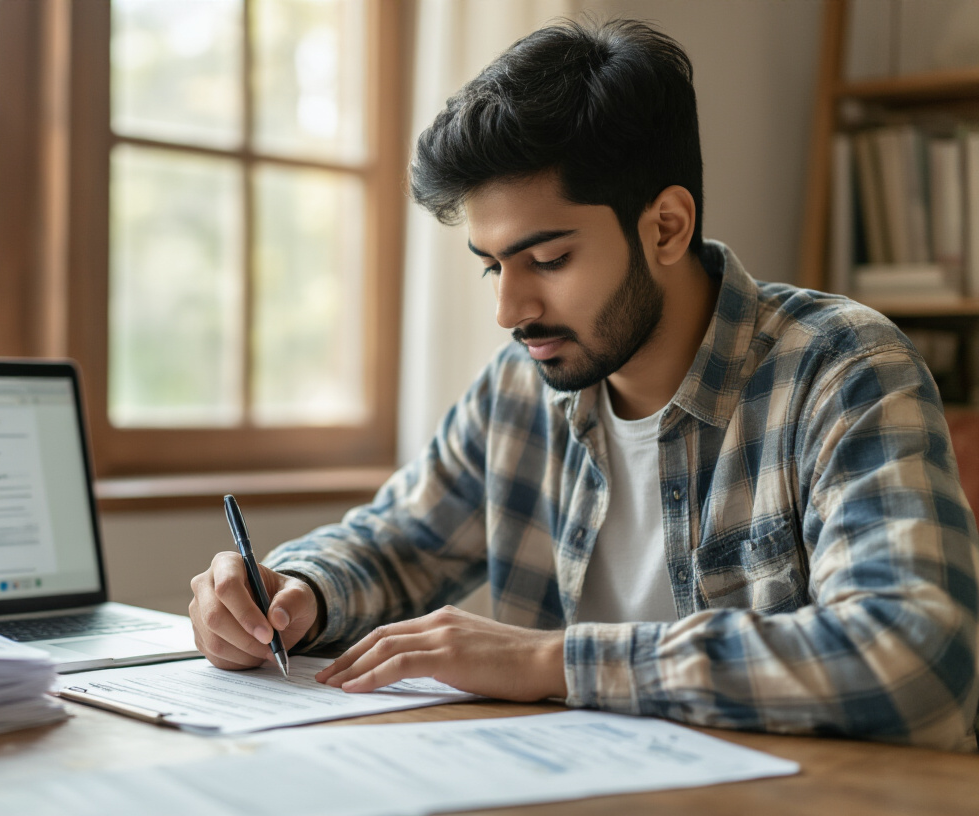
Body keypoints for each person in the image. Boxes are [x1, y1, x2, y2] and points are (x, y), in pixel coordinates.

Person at [188, 19, 979, 751]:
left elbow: (917, 657)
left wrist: (553, 662)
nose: (509, 309)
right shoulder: (520, 388)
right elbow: (398, 544)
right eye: (493, 265)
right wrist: (295, 591)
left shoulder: (842, 368)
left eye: (550, 259)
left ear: (666, 226)